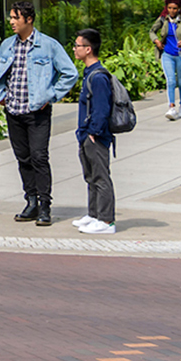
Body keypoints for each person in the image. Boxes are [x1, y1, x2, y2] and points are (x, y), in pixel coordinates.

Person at [0, 1, 79, 227]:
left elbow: (70, 73)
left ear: (28, 19)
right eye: (10, 17)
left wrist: (50, 95)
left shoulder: (48, 45)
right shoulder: (8, 45)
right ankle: (31, 201)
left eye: (15, 17)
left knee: (39, 157)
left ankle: (45, 206)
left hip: (37, 112)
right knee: (23, 158)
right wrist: (0, 96)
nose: (11, 21)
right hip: (13, 111)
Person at [72, 28, 118, 234]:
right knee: (90, 176)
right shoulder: (89, 73)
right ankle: (93, 214)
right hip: (86, 134)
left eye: (78, 45)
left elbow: (102, 108)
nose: (74, 49)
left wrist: (94, 132)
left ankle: (107, 221)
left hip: (95, 136)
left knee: (101, 177)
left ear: (88, 49)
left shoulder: (98, 77)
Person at [152, 0, 181, 120]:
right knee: (170, 81)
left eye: (175, 8)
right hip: (167, 54)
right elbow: (152, 31)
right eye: (169, 8)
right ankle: (171, 107)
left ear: (179, 9)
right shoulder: (162, 20)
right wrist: (156, 41)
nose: (172, 11)